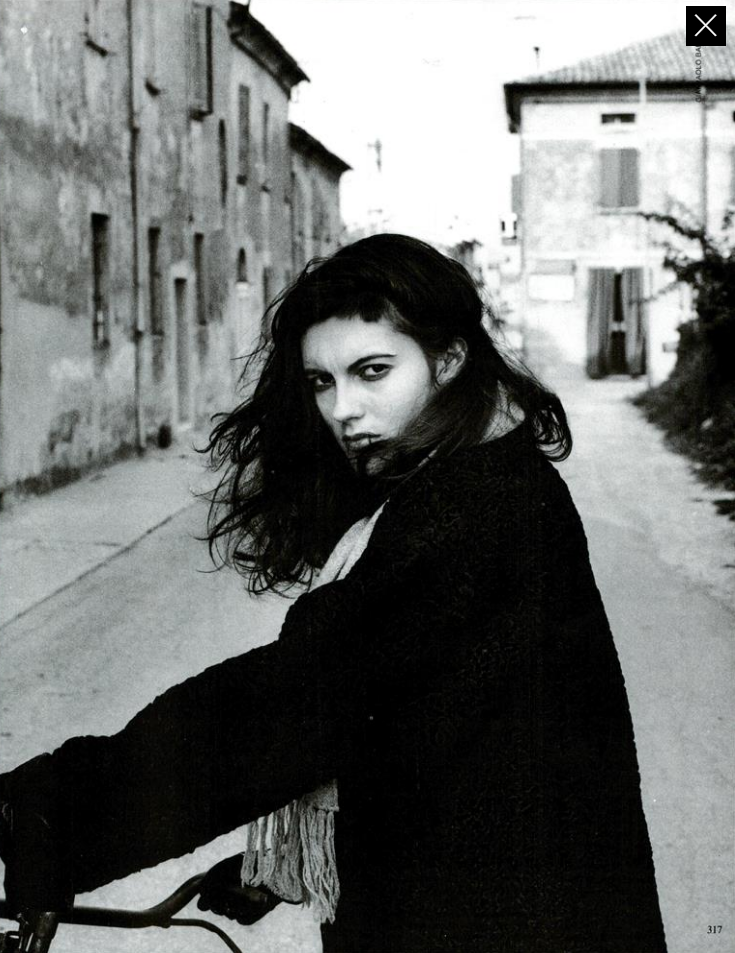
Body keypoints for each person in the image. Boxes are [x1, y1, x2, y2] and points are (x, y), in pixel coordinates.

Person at [0, 234, 667, 952]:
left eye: (372, 371)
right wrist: (282, 863)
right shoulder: (470, 474)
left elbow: (297, 701)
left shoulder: (477, 507)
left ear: (448, 359)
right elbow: (424, 726)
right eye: (321, 381)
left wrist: (47, 811)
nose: (343, 407)